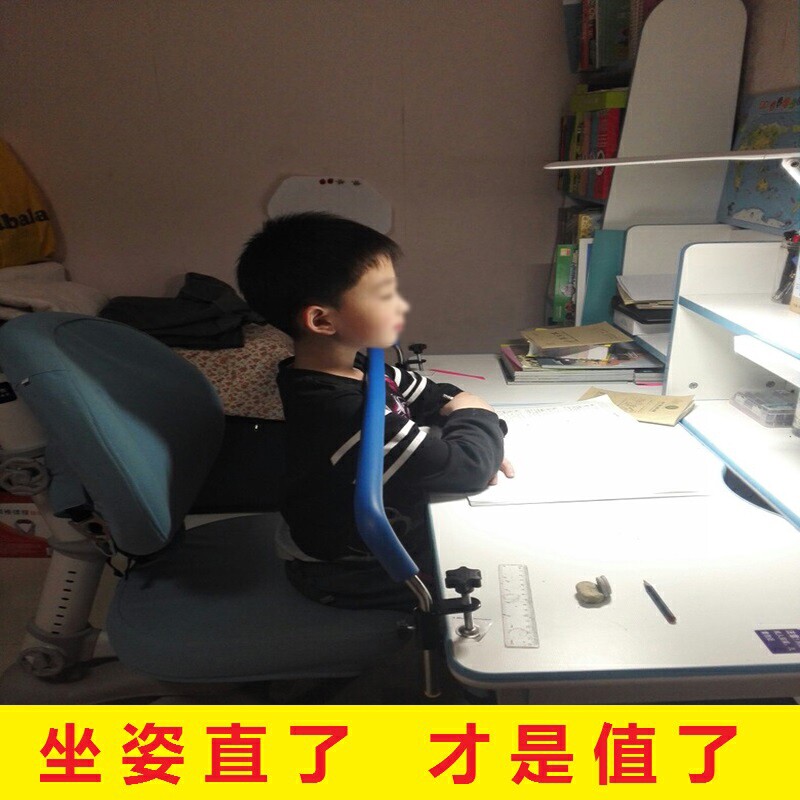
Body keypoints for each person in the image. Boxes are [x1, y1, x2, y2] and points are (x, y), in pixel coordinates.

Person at [237, 212, 513, 611]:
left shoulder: (359, 365)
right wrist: (479, 422)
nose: (401, 306)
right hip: (348, 570)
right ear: (322, 320)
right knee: (495, 587)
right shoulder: (337, 411)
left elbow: (437, 396)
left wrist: (474, 427)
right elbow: (467, 466)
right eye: (385, 296)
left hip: (380, 531)